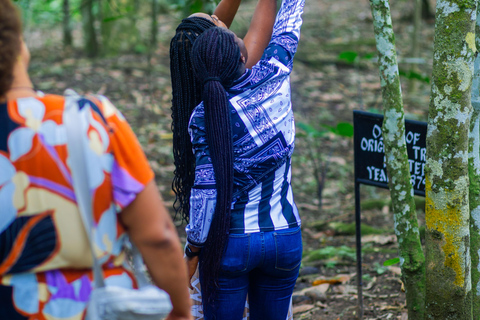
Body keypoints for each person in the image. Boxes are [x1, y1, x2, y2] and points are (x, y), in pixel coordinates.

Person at [0, 1, 192, 319]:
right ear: (19, 45)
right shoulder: (92, 121)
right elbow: (157, 236)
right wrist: (182, 313)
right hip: (94, 305)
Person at [176, 0, 306, 317]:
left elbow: (207, 191)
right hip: (284, 237)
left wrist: (193, 249)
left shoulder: (202, 116)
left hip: (230, 244)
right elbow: (290, 22)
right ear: (244, 57)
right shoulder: (275, 74)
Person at [170, 0, 277, 226]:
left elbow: (208, 32)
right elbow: (260, 27)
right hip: (251, 227)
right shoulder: (240, 72)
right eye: (217, 21)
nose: (220, 18)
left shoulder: (193, 94)